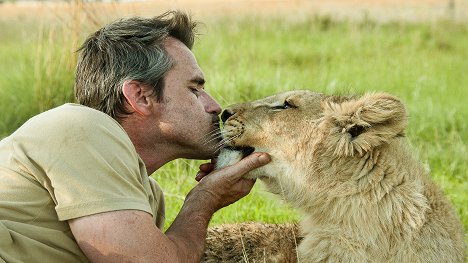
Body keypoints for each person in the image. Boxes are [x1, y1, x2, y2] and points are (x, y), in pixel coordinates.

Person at [0, 11, 270, 262]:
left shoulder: (148, 195)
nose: (214, 107)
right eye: (194, 90)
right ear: (140, 97)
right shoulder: (81, 127)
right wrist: (205, 198)